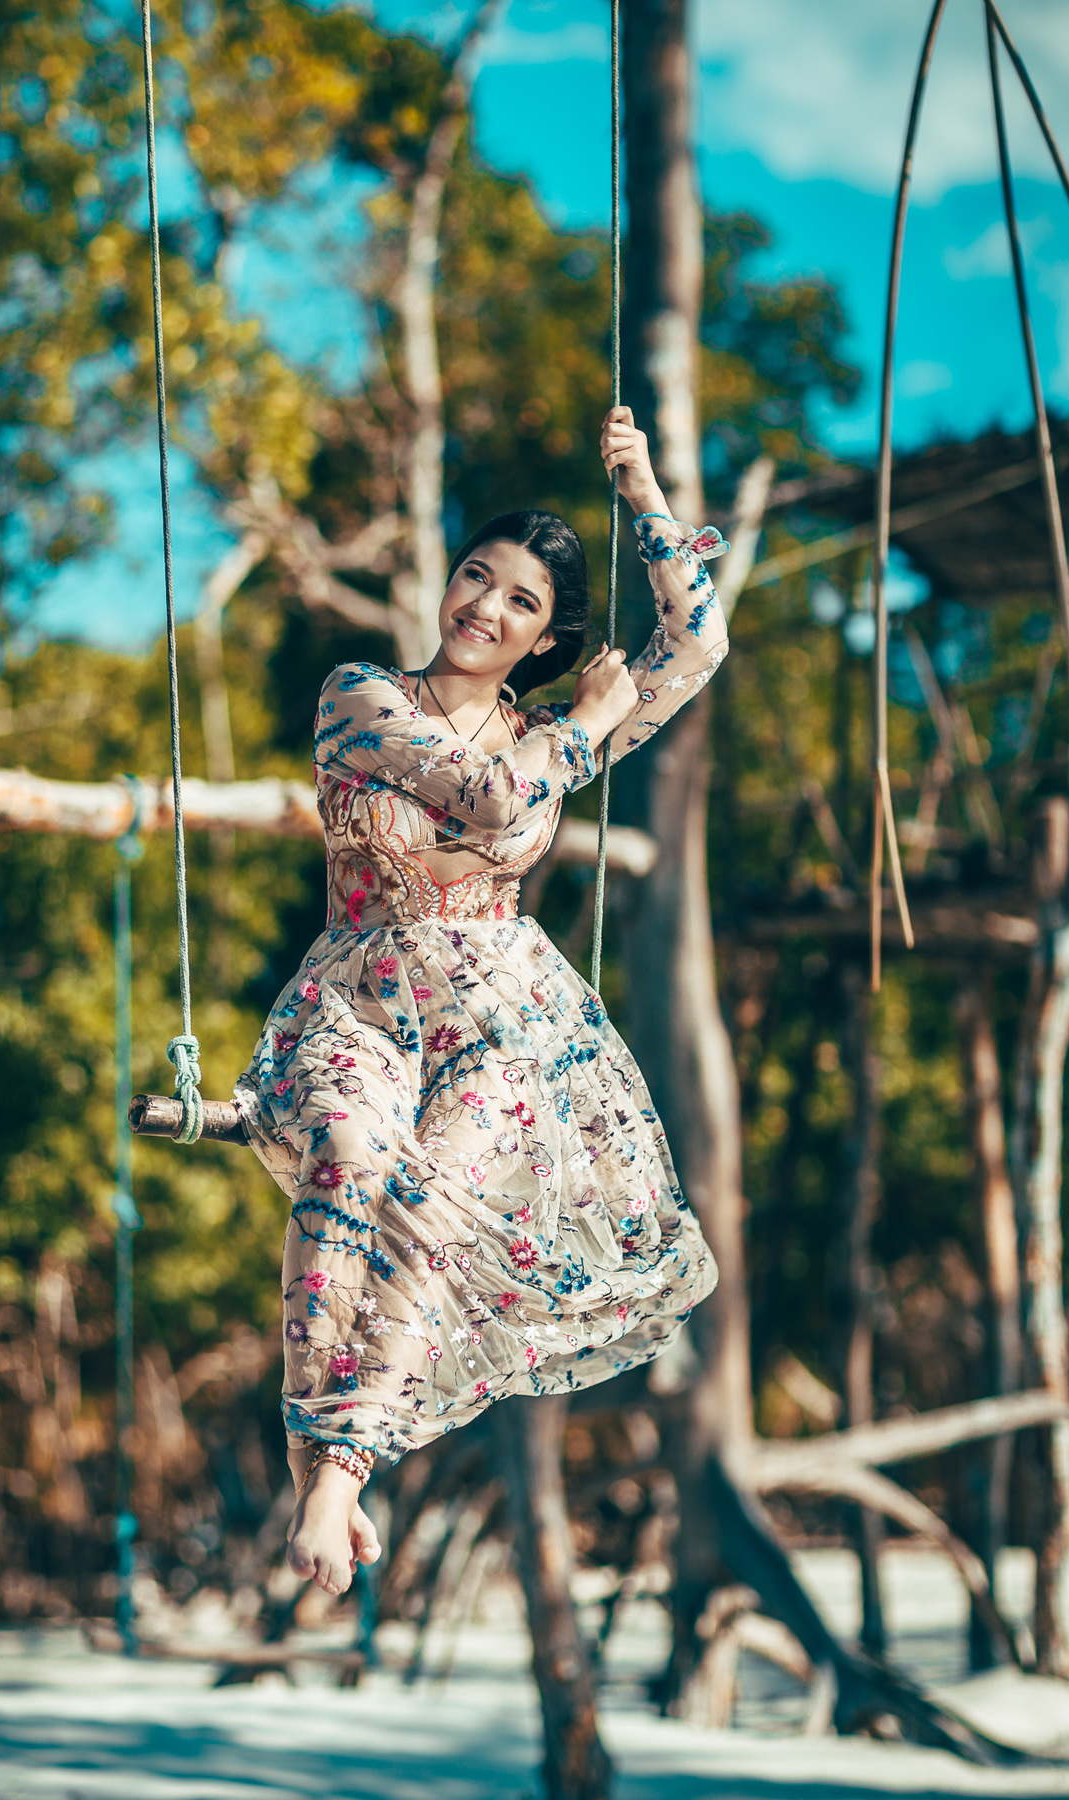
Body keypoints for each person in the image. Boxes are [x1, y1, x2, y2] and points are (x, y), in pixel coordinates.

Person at [235, 405, 731, 1597]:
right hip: (360, 994)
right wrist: (596, 727)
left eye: (520, 603)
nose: (483, 608)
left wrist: (647, 497)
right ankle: (323, 1456)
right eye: (476, 576)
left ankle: (340, 1474)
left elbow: (698, 643)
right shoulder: (362, 697)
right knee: (350, 1161)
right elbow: (487, 802)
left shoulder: (544, 726)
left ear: (543, 638)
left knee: (432, 1205)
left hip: (504, 1014)